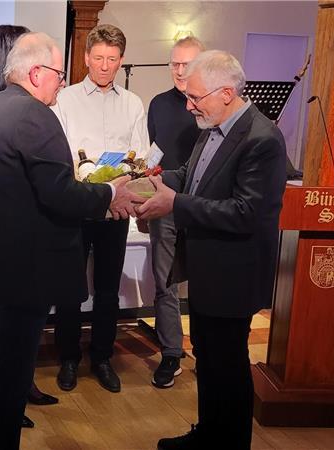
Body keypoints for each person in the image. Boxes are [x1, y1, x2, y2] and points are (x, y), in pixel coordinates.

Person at [0, 31, 144, 449]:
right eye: (59, 74)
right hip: (25, 271)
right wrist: (111, 193)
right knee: (12, 377)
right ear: (36, 72)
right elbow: (61, 193)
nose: (63, 82)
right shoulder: (34, 115)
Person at [136, 50, 287, 450]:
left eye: (195, 97)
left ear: (225, 92)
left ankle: (230, 443)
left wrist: (175, 204)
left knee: (229, 366)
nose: (188, 105)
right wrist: (147, 182)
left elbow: (247, 212)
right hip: (207, 269)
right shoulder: (213, 124)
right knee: (208, 358)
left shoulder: (263, 139)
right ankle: (208, 434)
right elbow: (190, 176)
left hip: (233, 274)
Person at [0, 24, 59, 424]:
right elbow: (50, 192)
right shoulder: (21, 111)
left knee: (2, 359)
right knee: (8, 360)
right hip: (19, 260)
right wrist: (107, 196)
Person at [51, 24, 148, 393]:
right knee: (71, 288)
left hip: (116, 209)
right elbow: (59, 154)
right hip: (77, 206)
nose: (105, 66)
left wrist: (126, 183)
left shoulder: (132, 103)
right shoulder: (66, 99)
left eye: (112, 59)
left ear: (121, 60)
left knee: (108, 289)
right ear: (86, 58)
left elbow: (139, 156)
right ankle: (68, 359)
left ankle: (103, 357)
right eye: (98, 58)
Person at [144, 36, 205, 389]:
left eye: (187, 64)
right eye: (175, 64)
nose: (180, 71)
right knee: (165, 282)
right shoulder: (158, 104)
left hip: (202, 208)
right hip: (164, 205)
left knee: (203, 282)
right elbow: (154, 154)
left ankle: (203, 348)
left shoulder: (213, 106)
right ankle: (170, 353)